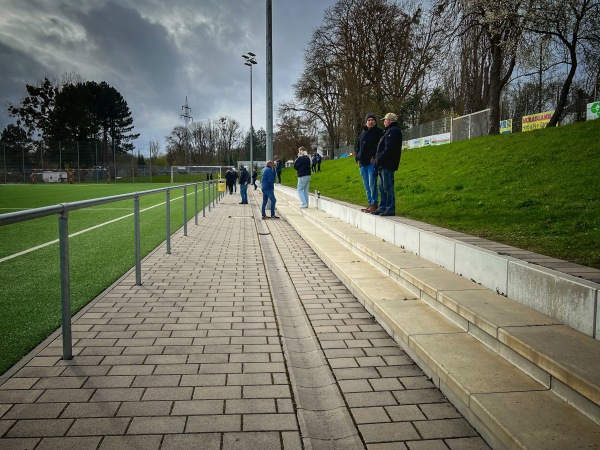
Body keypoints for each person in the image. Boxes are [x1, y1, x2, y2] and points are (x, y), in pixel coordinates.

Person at [371, 112, 402, 217]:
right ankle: (383, 207)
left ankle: (390, 208)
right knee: (381, 186)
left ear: (389, 121)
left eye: (385, 120)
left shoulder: (393, 131)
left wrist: (378, 160)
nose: (384, 122)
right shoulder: (388, 131)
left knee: (387, 187)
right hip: (382, 164)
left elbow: (388, 149)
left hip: (387, 164)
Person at [355, 113, 384, 213]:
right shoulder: (363, 132)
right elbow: (357, 146)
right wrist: (357, 158)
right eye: (369, 120)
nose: (370, 122)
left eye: (372, 120)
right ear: (366, 122)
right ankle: (370, 203)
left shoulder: (379, 132)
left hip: (372, 163)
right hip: (362, 163)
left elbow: (380, 146)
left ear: (375, 121)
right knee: (366, 185)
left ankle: (374, 204)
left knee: (372, 184)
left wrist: (375, 156)